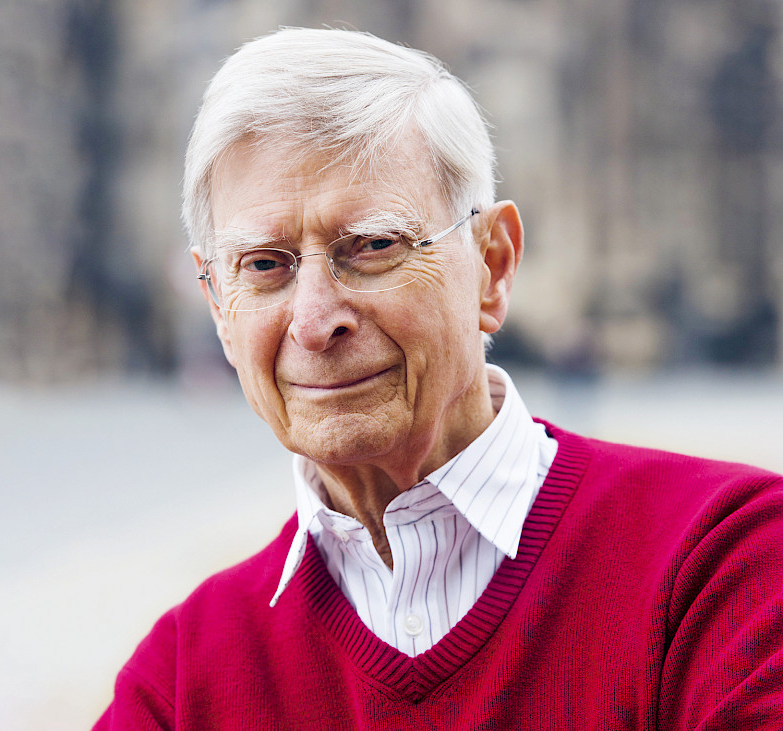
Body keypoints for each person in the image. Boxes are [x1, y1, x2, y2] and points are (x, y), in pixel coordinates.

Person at [94, 28, 783, 729]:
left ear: (492, 266)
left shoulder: (726, 563)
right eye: (265, 265)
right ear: (217, 304)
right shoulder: (179, 681)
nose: (313, 319)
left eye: (372, 246)